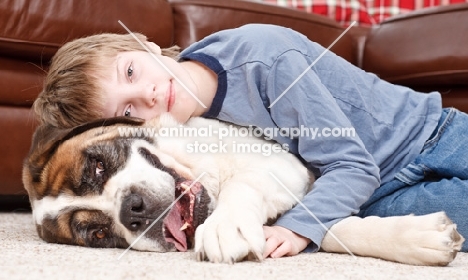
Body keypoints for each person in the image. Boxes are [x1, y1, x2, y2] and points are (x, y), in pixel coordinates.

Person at [33, 24, 468, 256]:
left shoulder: (266, 60)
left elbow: (352, 165)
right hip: (374, 194)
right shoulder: (184, 118)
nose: (146, 94)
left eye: (131, 72)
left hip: (429, 133)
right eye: (128, 110)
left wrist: (300, 230)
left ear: (144, 43)